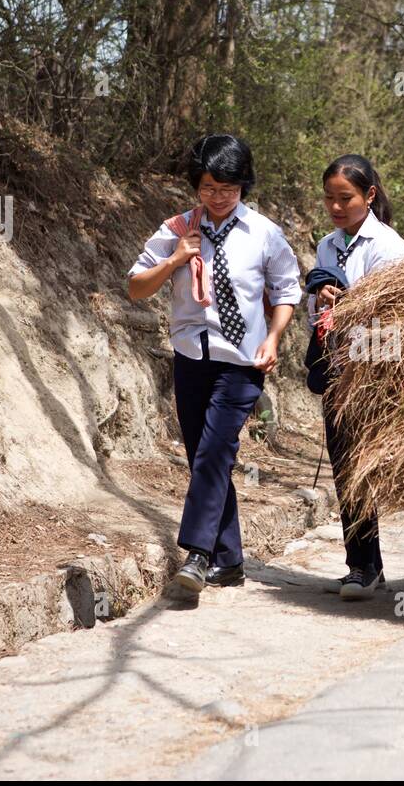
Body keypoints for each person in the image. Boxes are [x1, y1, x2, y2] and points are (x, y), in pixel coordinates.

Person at [127, 134, 303, 593]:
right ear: (196, 186)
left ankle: (198, 555)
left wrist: (274, 337)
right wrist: (175, 261)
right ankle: (230, 560)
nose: (219, 198)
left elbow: (287, 291)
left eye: (229, 189)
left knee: (213, 453)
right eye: (209, 188)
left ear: (244, 186)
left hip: (243, 361)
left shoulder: (264, 233)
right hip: (191, 356)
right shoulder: (176, 229)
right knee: (205, 459)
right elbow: (136, 287)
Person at [306, 155, 404, 600]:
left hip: (374, 373)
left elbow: (393, 317)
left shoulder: (388, 248)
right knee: (345, 464)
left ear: (368, 196)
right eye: (329, 198)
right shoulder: (328, 246)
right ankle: (364, 565)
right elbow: (317, 312)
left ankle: (365, 566)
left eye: (344, 198)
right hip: (337, 370)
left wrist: (344, 301)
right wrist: (320, 297)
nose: (335, 207)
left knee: (363, 466)